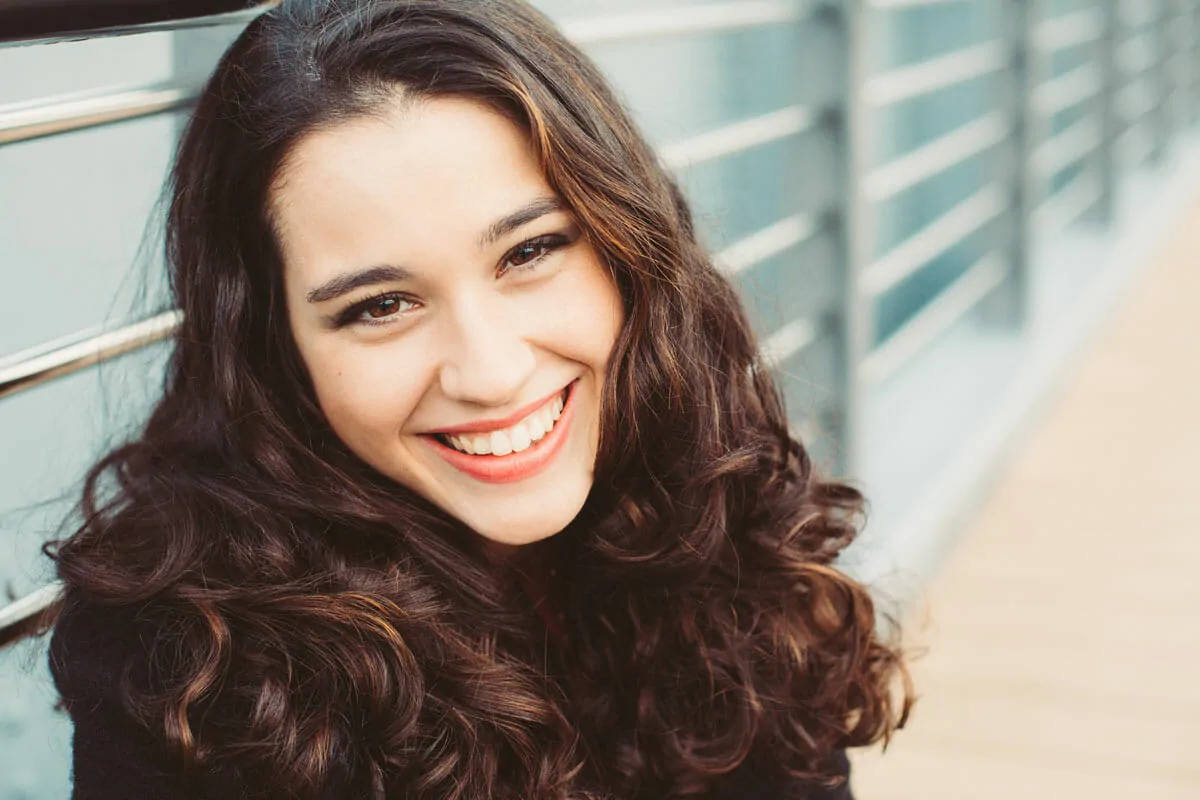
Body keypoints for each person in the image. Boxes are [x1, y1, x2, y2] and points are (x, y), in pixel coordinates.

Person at [44, 1, 914, 797]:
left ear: (627, 250)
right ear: (275, 355)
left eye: (529, 254)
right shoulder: (183, 668)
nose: (491, 372)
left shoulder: (714, 500)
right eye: (381, 306)